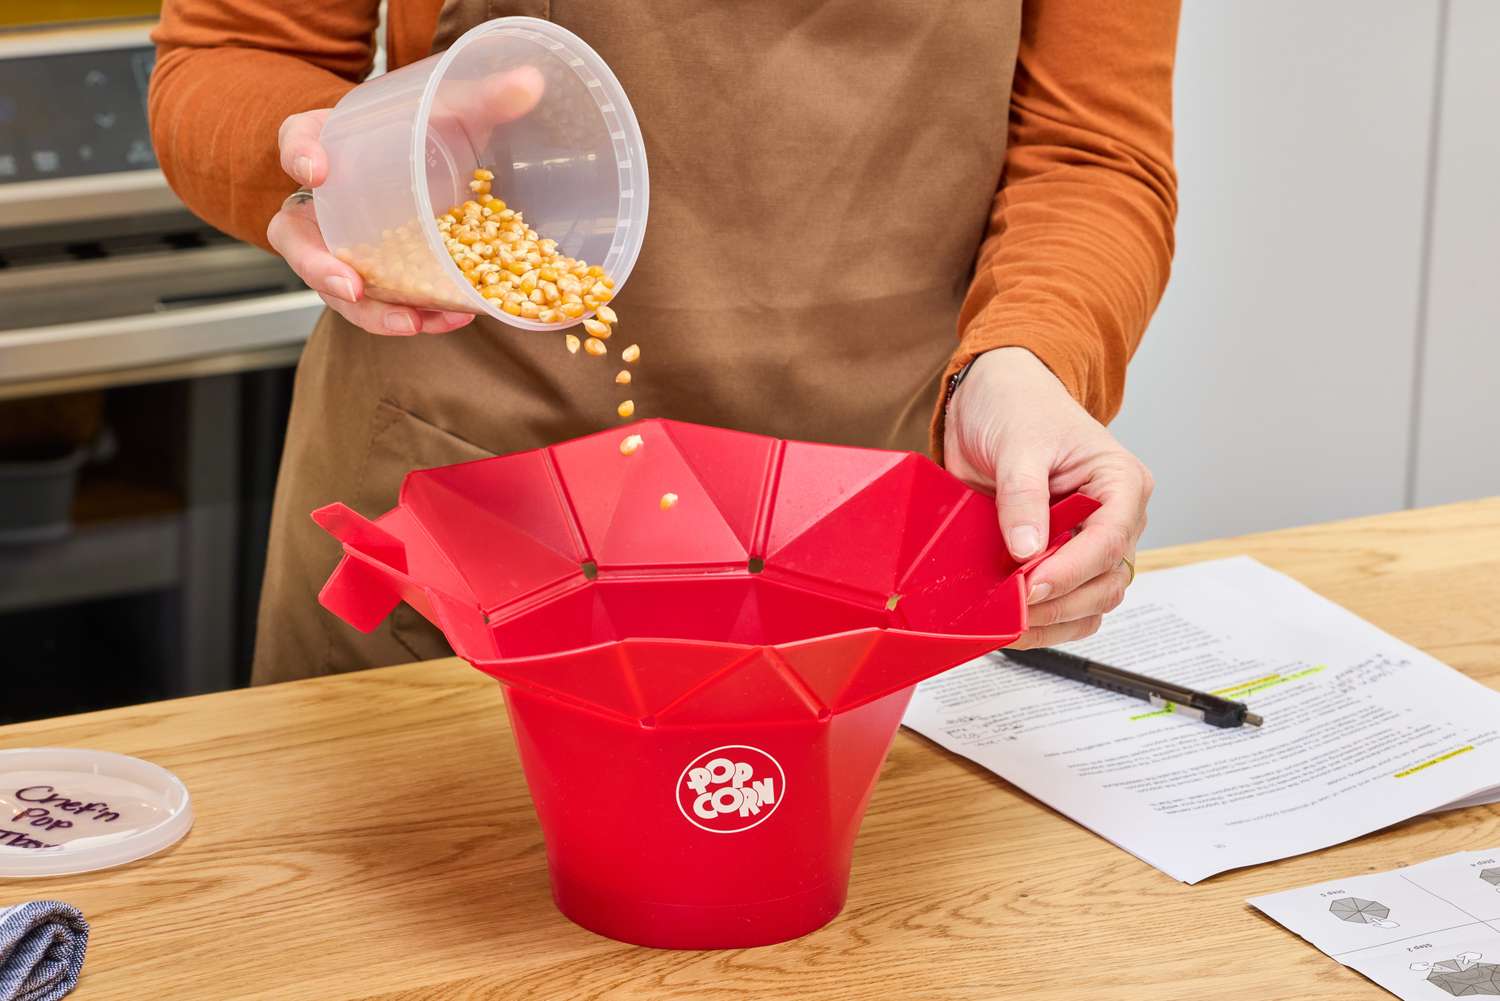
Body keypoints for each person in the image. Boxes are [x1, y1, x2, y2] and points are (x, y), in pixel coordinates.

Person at [149, 0, 1177, 685]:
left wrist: (1027, 356)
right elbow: (237, 50)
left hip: (858, 530)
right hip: (459, 507)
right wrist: (322, 155)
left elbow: (1091, 150)